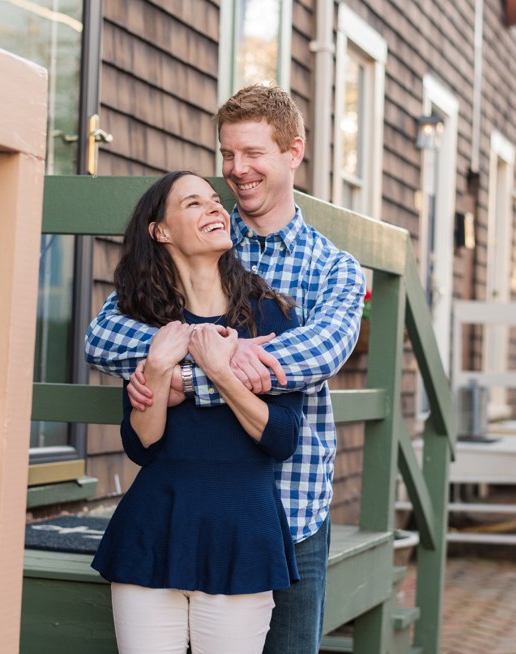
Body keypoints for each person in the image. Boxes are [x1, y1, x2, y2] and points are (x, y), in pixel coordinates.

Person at [86, 84, 366, 653]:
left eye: (254, 154)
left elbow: (320, 355)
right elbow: (106, 336)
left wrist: (196, 377)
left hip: (292, 504)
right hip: (188, 501)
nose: (237, 171)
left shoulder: (334, 267)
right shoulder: (203, 236)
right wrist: (204, 345)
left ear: (293, 153)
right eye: (228, 154)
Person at [91, 170, 303, 653]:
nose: (213, 208)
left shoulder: (270, 314)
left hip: (241, 533)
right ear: (160, 231)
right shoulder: (144, 321)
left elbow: (282, 438)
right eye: (193, 203)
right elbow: (141, 444)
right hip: (153, 527)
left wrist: (218, 371)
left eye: (214, 201)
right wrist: (161, 365)